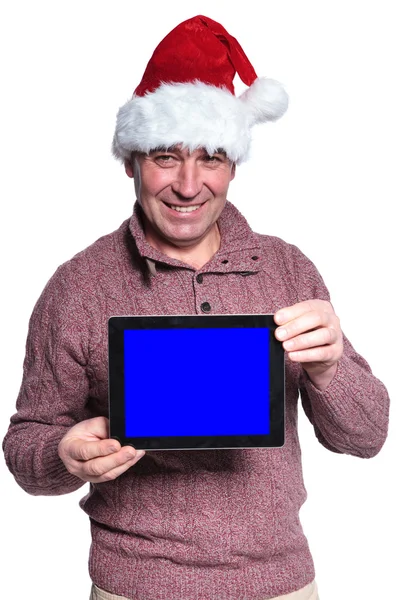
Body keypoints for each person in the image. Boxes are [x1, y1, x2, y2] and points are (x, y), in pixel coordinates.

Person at [2, 15, 390, 600]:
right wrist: (63, 454)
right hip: (132, 585)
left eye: (210, 157)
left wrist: (331, 371)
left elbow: (367, 437)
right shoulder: (78, 287)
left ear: (233, 163)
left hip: (280, 583)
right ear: (130, 161)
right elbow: (26, 448)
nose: (188, 185)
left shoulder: (288, 270)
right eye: (164, 156)